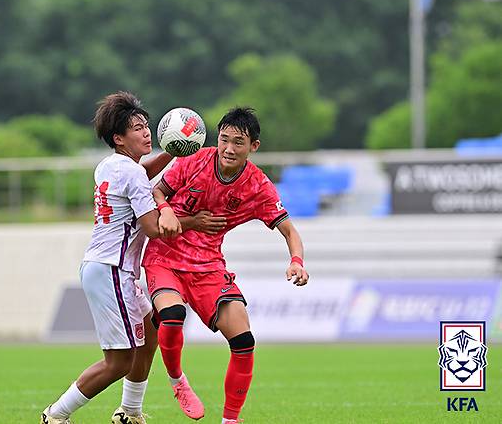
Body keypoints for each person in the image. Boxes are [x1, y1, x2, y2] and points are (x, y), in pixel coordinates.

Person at [142, 107, 310, 423]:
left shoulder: (258, 186)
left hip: (207, 266)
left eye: (238, 142)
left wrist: (297, 262)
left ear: (253, 146)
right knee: (172, 314)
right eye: (224, 140)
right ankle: (178, 381)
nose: (229, 149)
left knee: (244, 340)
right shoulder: (195, 160)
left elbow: (289, 230)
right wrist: (165, 209)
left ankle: (230, 420)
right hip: (165, 257)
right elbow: (157, 190)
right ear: (217, 138)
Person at [40, 92, 183, 424]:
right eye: (137, 128)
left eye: (146, 126)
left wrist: (169, 155)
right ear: (119, 138)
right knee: (118, 361)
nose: (147, 133)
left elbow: (140, 174)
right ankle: (56, 415)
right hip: (112, 270)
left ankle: (129, 412)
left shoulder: (109, 165)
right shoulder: (130, 172)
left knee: (148, 336)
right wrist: (189, 219)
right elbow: (152, 228)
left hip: (106, 267)